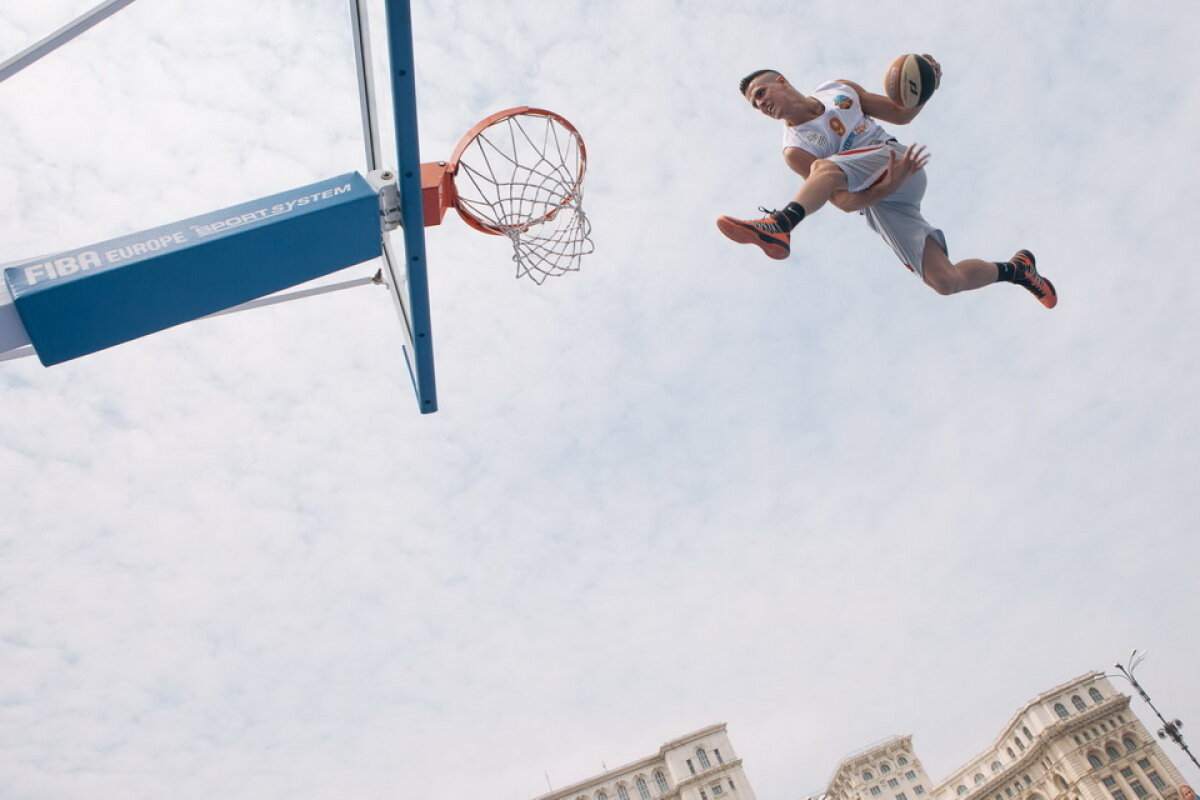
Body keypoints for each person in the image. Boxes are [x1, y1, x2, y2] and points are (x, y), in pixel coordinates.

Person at [716, 58, 1057, 308]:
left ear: (781, 81)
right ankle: (1017, 270)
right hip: (880, 199)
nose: (760, 104)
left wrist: (924, 89)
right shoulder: (795, 150)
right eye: (755, 104)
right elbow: (846, 203)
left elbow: (901, 113)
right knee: (945, 281)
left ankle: (781, 223)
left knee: (826, 167)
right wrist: (889, 187)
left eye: (761, 93)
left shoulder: (839, 90)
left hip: (893, 158)